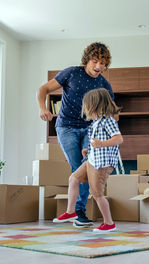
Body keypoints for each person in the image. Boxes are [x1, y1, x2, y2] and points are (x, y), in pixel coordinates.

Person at [37, 42, 113, 227]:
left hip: (89, 128)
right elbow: (43, 89)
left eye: (103, 63)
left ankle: (78, 212)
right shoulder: (71, 73)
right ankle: (77, 212)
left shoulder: (103, 83)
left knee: (87, 167)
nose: (98, 67)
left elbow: (110, 110)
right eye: (95, 61)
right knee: (77, 167)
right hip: (66, 127)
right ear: (87, 60)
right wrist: (43, 108)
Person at [53, 88, 123, 233]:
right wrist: (88, 150)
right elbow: (96, 143)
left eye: (88, 106)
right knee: (73, 178)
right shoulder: (95, 123)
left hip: (101, 163)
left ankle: (109, 223)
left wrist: (101, 144)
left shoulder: (108, 121)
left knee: (97, 194)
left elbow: (118, 139)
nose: (86, 109)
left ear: (97, 105)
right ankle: (71, 212)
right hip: (91, 159)